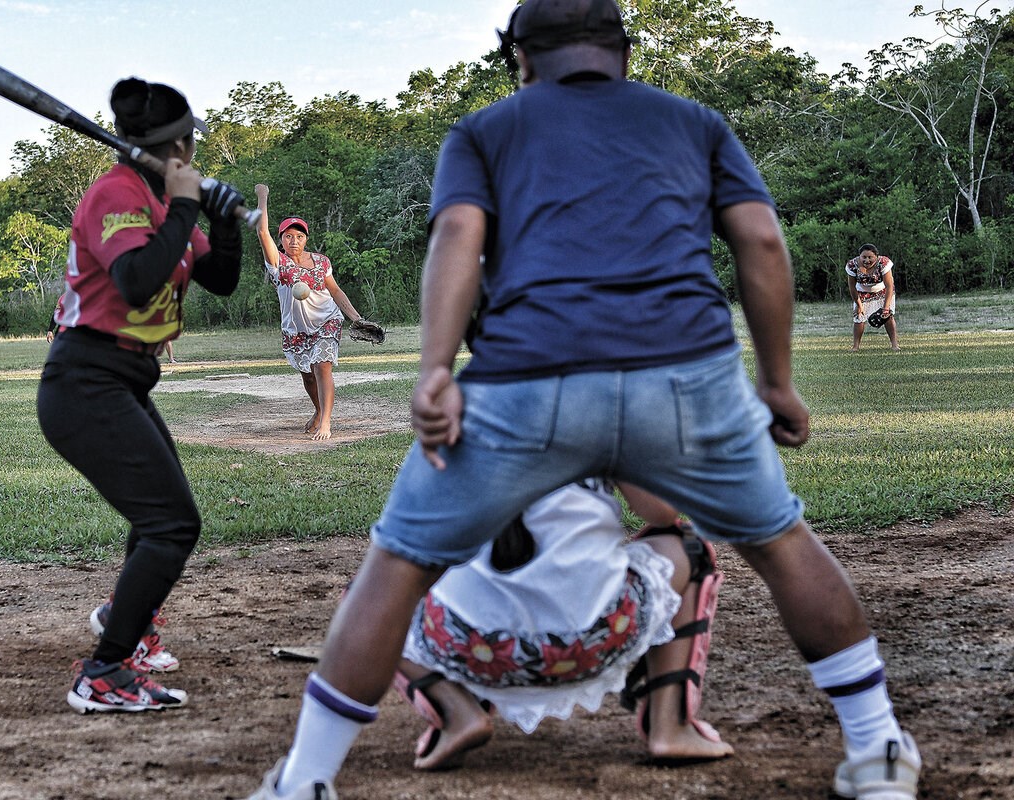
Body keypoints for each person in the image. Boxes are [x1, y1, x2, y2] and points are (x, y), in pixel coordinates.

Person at [245, 2, 919, 799]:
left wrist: (435, 368)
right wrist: (775, 381)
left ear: (520, 58)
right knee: (779, 542)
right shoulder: (692, 121)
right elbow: (761, 240)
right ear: (623, 52)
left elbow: (457, 238)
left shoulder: (485, 131)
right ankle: (876, 750)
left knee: (397, 565)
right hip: (685, 371)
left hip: (526, 377)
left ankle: (306, 782)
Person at [37, 76, 246, 713]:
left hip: (122, 381)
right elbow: (134, 280)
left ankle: (124, 621)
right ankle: (102, 672)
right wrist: (186, 208)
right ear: (174, 145)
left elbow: (221, 279)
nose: (194, 154)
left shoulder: (161, 194)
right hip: (84, 381)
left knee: (160, 516)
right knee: (173, 523)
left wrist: (223, 219)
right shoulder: (117, 193)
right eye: (189, 144)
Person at [392, 480, 732, 770]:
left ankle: (453, 708)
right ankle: (670, 726)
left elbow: (415, 528)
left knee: (369, 603)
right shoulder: (605, 415)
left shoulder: (461, 414)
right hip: (598, 636)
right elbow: (662, 512)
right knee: (688, 547)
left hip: (471, 648)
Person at [252, 183, 368, 441]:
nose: (295, 241)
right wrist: (263, 196)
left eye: (300, 236)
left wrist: (355, 318)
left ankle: (326, 422)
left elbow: (335, 291)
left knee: (321, 366)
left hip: (326, 319)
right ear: (281, 240)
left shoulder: (321, 261)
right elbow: (261, 230)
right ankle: (318, 411)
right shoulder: (277, 263)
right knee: (308, 375)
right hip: (296, 329)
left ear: (306, 239)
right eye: (289, 236)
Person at [846, 244, 899, 351]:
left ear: (876, 256)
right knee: (859, 318)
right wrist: (859, 305)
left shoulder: (883, 263)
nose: (867, 260)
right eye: (864, 257)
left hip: (883, 291)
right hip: (861, 292)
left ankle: (894, 345)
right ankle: (855, 346)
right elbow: (852, 287)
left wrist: (886, 308)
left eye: (870, 257)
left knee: (887, 316)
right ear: (859, 256)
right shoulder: (852, 265)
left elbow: (889, 286)